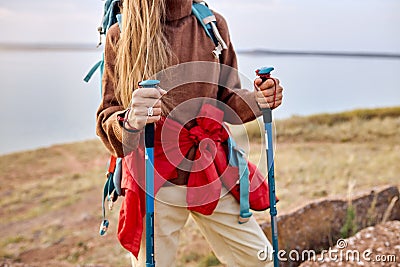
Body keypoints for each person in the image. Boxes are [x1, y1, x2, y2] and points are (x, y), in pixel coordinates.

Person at [96, 0, 284, 266]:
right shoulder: (122, 33)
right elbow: (108, 112)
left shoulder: (213, 25)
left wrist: (259, 99)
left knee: (260, 260)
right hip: (152, 179)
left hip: (211, 171)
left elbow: (227, 97)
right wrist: (129, 120)